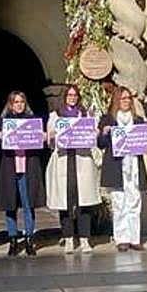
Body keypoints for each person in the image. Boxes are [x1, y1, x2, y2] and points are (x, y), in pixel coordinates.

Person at [45, 85, 100, 255]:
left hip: (82, 159)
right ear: (64, 97)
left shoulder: (84, 115)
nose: (72, 98)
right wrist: (53, 134)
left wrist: (94, 131)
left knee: (85, 201)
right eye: (69, 95)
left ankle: (84, 238)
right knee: (65, 201)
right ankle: (68, 237)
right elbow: (49, 137)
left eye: (75, 95)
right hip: (63, 159)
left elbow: (93, 136)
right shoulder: (55, 116)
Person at [98, 86, 147, 252]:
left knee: (134, 202)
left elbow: (145, 142)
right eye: (123, 98)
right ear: (116, 100)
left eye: (128, 98)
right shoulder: (108, 119)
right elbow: (101, 144)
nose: (126, 101)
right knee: (119, 203)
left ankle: (134, 238)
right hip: (116, 166)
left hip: (133, 165)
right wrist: (104, 133)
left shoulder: (139, 120)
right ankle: (122, 238)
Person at [0, 90, 44, 257]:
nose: (19, 105)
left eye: (21, 102)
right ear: (10, 104)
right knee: (10, 205)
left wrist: (42, 137)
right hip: (10, 167)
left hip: (27, 167)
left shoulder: (32, 121)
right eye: (16, 102)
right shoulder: (4, 121)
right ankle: (13, 239)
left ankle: (29, 238)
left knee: (27, 204)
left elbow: (39, 143)